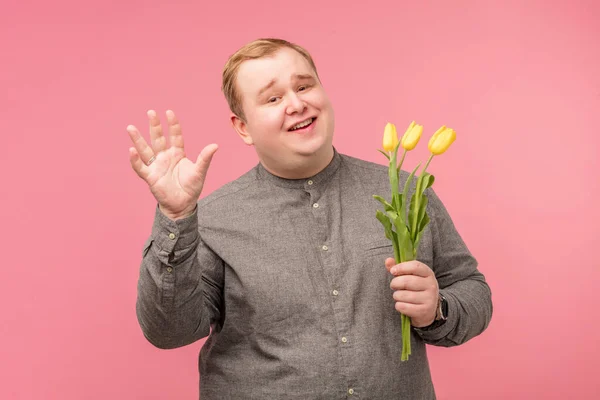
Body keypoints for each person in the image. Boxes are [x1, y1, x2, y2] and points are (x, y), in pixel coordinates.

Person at [127, 38, 493, 399]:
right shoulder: (211, 219)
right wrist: (176, 218)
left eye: (304, 86)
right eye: (273, 98)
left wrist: (437, 310)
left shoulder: (407, 193)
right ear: (243, 127)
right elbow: (168, 331)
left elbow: (471, 290)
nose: (297, 103)